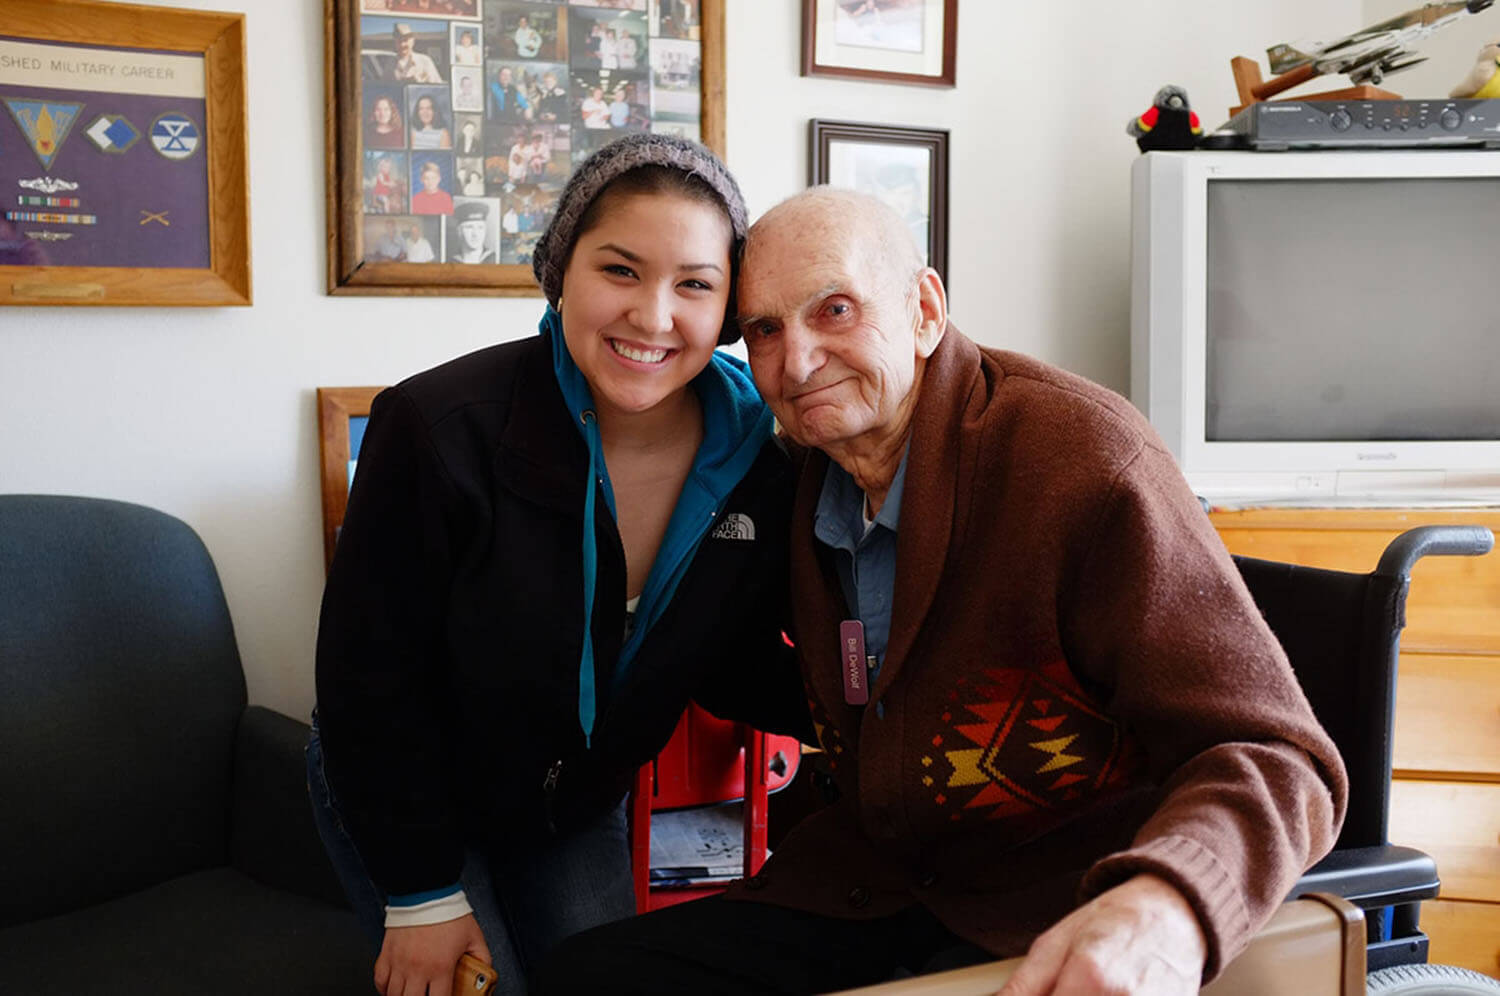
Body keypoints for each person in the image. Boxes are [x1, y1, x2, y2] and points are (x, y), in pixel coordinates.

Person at [530, 187, 1348, 994]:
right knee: (586, 978)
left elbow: (1278, 758)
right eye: (765, 330)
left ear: (925, 310)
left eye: (837, 310)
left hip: (1053, 902)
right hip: (871, 887)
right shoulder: (808, 472)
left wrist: (1167, 904)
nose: (799, 361)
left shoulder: (1081, 462)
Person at [309, 133, 810, 996]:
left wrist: (874, 713)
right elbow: (369, 681)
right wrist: (423, 896)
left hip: (571, 799)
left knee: (606, 981)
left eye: (694, 284)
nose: (654, 317)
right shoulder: (438, 427)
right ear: (561, 271)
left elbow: (725, 657)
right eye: (620, 270)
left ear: (729, 306)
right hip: (412, 781)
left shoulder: (762, 461)